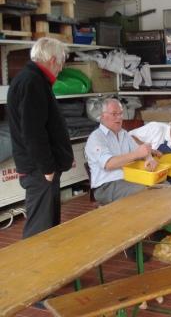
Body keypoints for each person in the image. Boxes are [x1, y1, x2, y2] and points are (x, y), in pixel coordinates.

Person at [7, 37, 74, 239]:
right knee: (40, 228)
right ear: (53, 60)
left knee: (49, 225)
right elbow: (33, 133)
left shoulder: (34, 80)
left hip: (43, 167)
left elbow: (48, 127)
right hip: (39, 170)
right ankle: (33, 269)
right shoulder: (32, 82)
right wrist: (46, 167)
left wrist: (64, 155)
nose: (61, 68)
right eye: (61, 62)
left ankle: (49, 268)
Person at [85, 98, 155, 261]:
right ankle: (131, 245)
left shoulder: (123, 134)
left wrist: (149, 158)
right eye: (114, 114)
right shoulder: (96, 138)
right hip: (106, 186)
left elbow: (142, 151)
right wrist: (138, 154)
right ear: (102, 116)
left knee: (163, 187)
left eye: (121, 113)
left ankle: (160, 228)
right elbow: (109, 164)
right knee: (143, 193)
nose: (119, 118)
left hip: (130, 179)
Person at [129, 114, 171, 185]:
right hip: (144, 172)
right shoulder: (156, 128)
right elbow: (130, 137)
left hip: (162, 176)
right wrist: (150, 151)